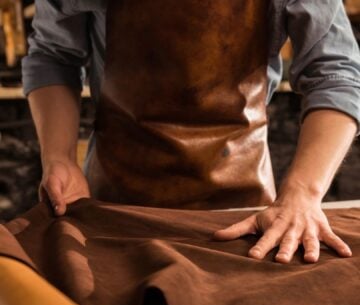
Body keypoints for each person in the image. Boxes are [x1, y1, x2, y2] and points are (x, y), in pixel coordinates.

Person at [22, 0, 360, 264]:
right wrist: (59, 157)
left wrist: (303, 192)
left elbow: (335, 72)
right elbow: (54, 55)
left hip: (242, 217)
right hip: (113, 206)